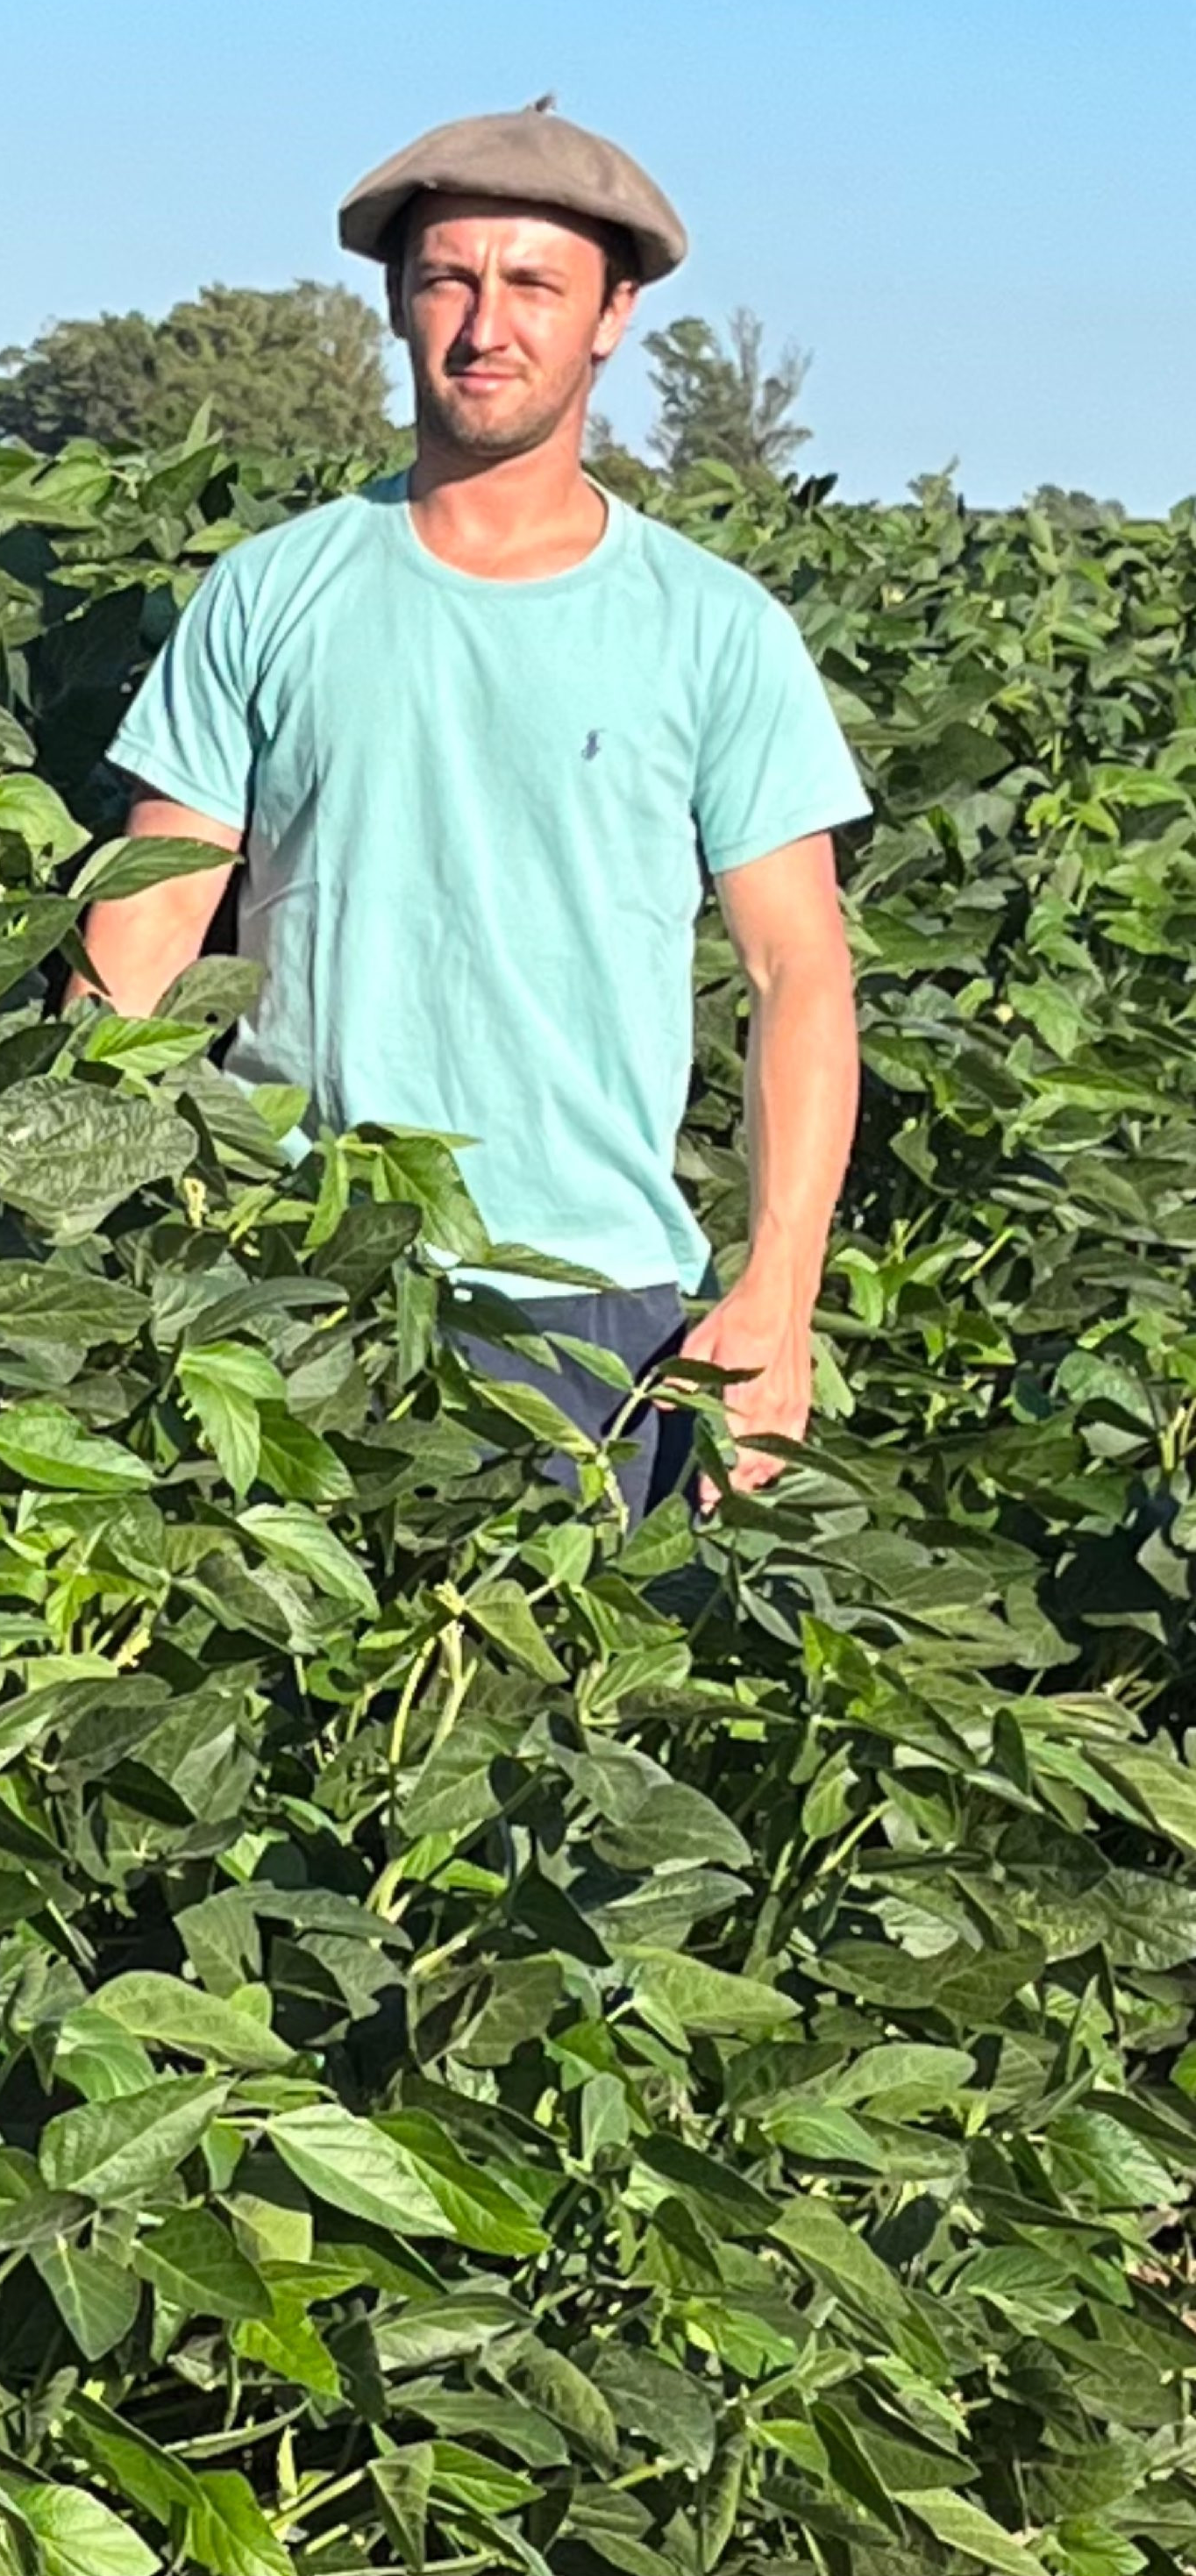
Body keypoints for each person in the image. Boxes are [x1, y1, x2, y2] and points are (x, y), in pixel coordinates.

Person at [78, 103, 868, 1522]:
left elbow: (797, 967)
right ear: (397, 300)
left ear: (613, 316)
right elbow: (153, 919)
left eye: (535, 286)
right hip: (289, 1267)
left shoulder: (712, 629)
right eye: (449, 279)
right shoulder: (272, 591)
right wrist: (56, 1189)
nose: (485, 326)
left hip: (592, 1305)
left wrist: (780, 1291)